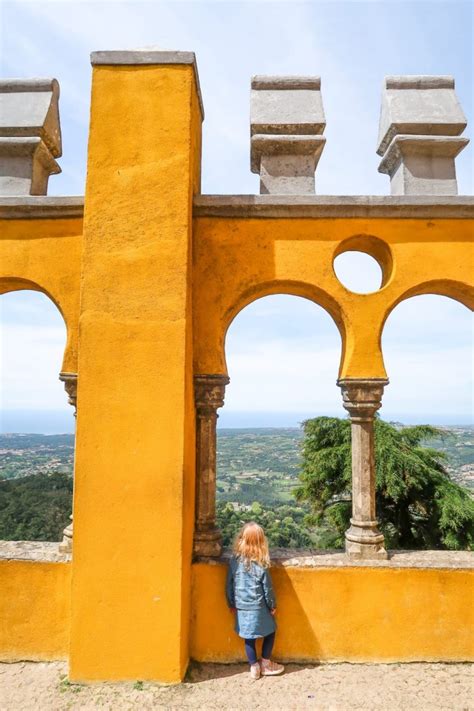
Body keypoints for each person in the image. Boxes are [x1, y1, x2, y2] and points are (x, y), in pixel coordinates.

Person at [225, 521, 285, 680]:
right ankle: (265, 662)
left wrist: (231, 603)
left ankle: (254, 667)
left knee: (249, 638)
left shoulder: (234, 561)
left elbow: (229, 584)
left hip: (242, 606)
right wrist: (272, 606)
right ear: (261, 542)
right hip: (259, 607)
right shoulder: (261, 564)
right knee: (270, 632)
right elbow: (268, 589)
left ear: (241, 539)